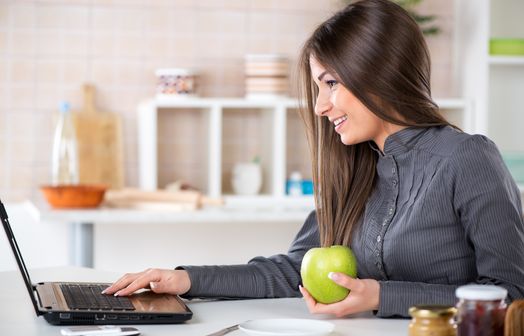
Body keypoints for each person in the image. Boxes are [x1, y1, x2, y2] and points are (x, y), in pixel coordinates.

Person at [103, 0, 524, 318]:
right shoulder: (357, 169)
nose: (320, 106)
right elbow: (295, 271)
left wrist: (380, 296)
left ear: (378, 72)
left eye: (331, 83)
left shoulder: (467, 158)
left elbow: (511, 294)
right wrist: (185, 280)